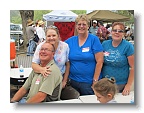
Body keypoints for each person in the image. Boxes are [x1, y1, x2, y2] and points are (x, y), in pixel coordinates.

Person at [65, 14, 104, 96]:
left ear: (88, 26)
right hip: (73, 81)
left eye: (84, 24)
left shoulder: (94, 40)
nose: (81, 26)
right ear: (76, 26)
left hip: (89, 83)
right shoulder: (69, 41)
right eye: (79, 24)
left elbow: (100, 61)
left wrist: (95, 81)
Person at [101, 22, 134, 96]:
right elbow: (100, 62)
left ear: (124, 33)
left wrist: (128, 85)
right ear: (111, 32)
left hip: (120, 84)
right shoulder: (104, 44)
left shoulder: (128, 46)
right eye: (115, 30)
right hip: (105, 82)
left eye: (120, 31)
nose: (117, 33)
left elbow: (133, 67)